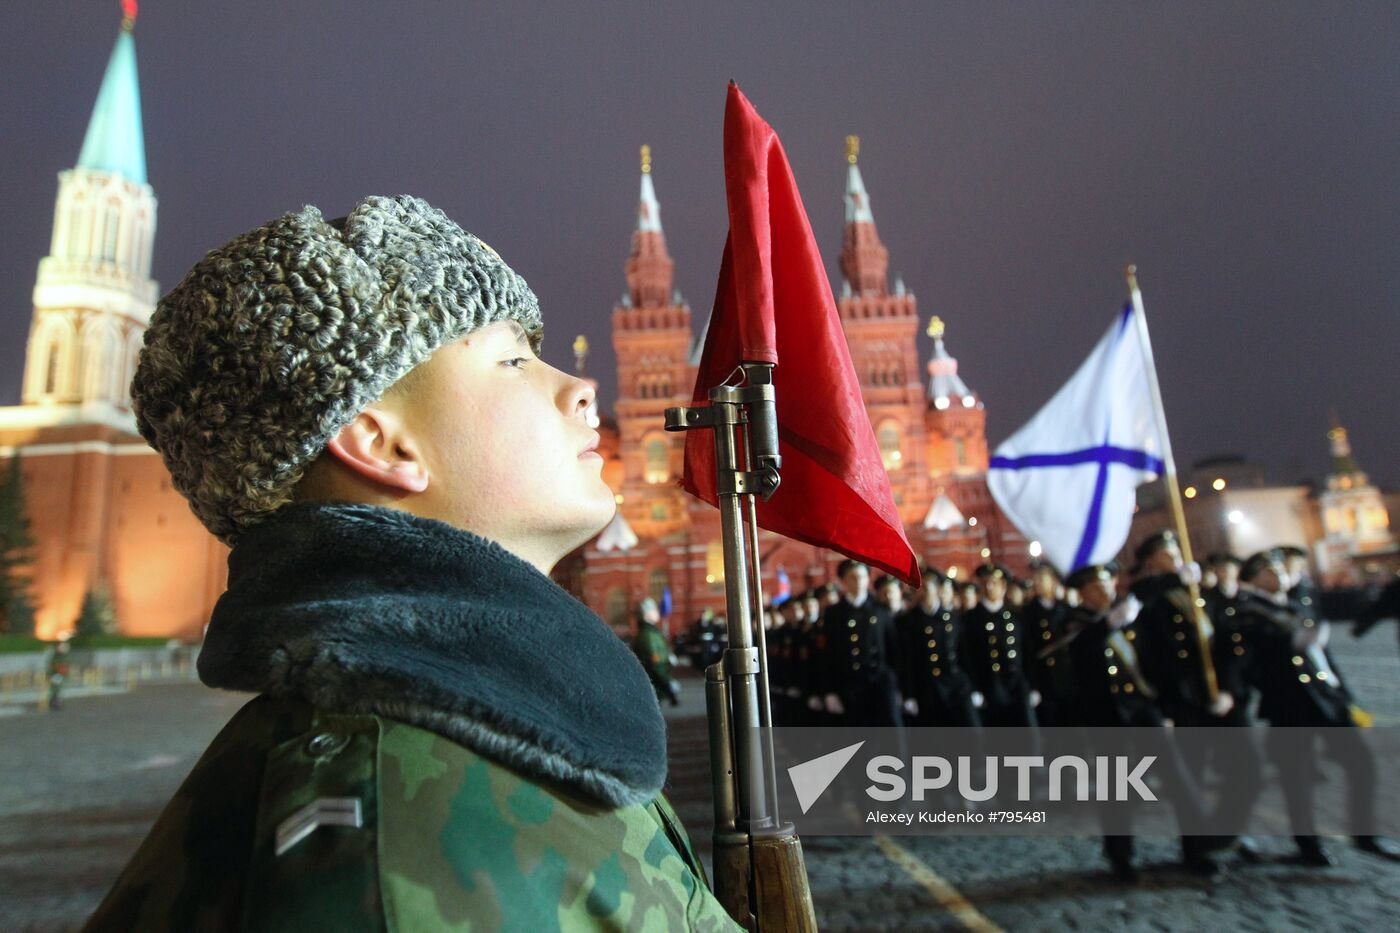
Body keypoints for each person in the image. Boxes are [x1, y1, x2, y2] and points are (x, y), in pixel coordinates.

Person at [84, 196, 738, 931]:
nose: (580, 389)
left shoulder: (502, 715)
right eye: (514, 358)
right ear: (382, 445)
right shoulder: (381, 844)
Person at [1062, 564, 1229, 883]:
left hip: (1144, 708)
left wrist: (1164, 707)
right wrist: (1107, 626)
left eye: (1108, 583)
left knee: (1179, 779)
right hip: (1109, 716)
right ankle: (1121, 857)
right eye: (1095, 588)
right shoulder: (1073, 621)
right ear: (1082, 592)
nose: (1105, 591)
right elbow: (1082, 653)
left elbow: (1152, 658)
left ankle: (1198, 848)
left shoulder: (1128, 614)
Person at [1235, 549, 1400, 868]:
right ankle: (1307, 845)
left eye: (1280, 568)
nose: (1278, 574)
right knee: (1296, 778)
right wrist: (1290, 645)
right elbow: (1251, 664)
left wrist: (1343, 695)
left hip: (1325, 697)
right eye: (1267, 571)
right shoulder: (1247, 613)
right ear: (1253, 579)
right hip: (1289, 703)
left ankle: (1364, 834)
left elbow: (1324, 657)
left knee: (1361, 763)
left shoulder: (1298, 605)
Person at [817, 560, 902, 727]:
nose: (858, 582)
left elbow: (894, 649)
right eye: (852, 577)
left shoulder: (880, 609)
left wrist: (898, 685)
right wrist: (828, 691)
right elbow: (827, 654)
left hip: (880, 682)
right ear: (843, 581)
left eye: (862, 577)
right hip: (850, 685)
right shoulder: (834, 613)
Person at [894, 567, 981, 728]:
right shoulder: (907, 622)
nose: (925, 592)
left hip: (956, 685)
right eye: (921, 588)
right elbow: (907, 661)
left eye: (929, 587)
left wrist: (974, 687)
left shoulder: (953, 618)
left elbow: (965, 655)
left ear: (939, 590)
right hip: (927, 688)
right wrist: (909, 694)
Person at [960, 563, 1038, 728]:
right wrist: (974, 688)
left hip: (1017, 684)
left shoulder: (1016, 615)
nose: (989, 587)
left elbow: (1027, 652)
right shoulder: (971, 619)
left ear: (1003, 586)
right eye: (984, 583)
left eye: (993, 583)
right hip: (989, 685)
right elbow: (967, 657)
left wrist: (1033, 685)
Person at [632, 597, 681, 707]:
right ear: (646, 613)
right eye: (654, 609)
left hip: (656, 686)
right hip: (655, 687)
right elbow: (655, 664)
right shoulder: (648, 636)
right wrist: (668, 684)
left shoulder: (651, 632)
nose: (657, 611)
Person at [45, 639, 71, 711]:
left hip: (60, 674)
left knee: (58, 688)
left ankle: (55, 701)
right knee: (55, 688)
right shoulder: (56, 656)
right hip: (55, 674)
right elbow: (52, 665)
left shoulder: (63, 656)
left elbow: (66, 665)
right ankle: (55, 701)